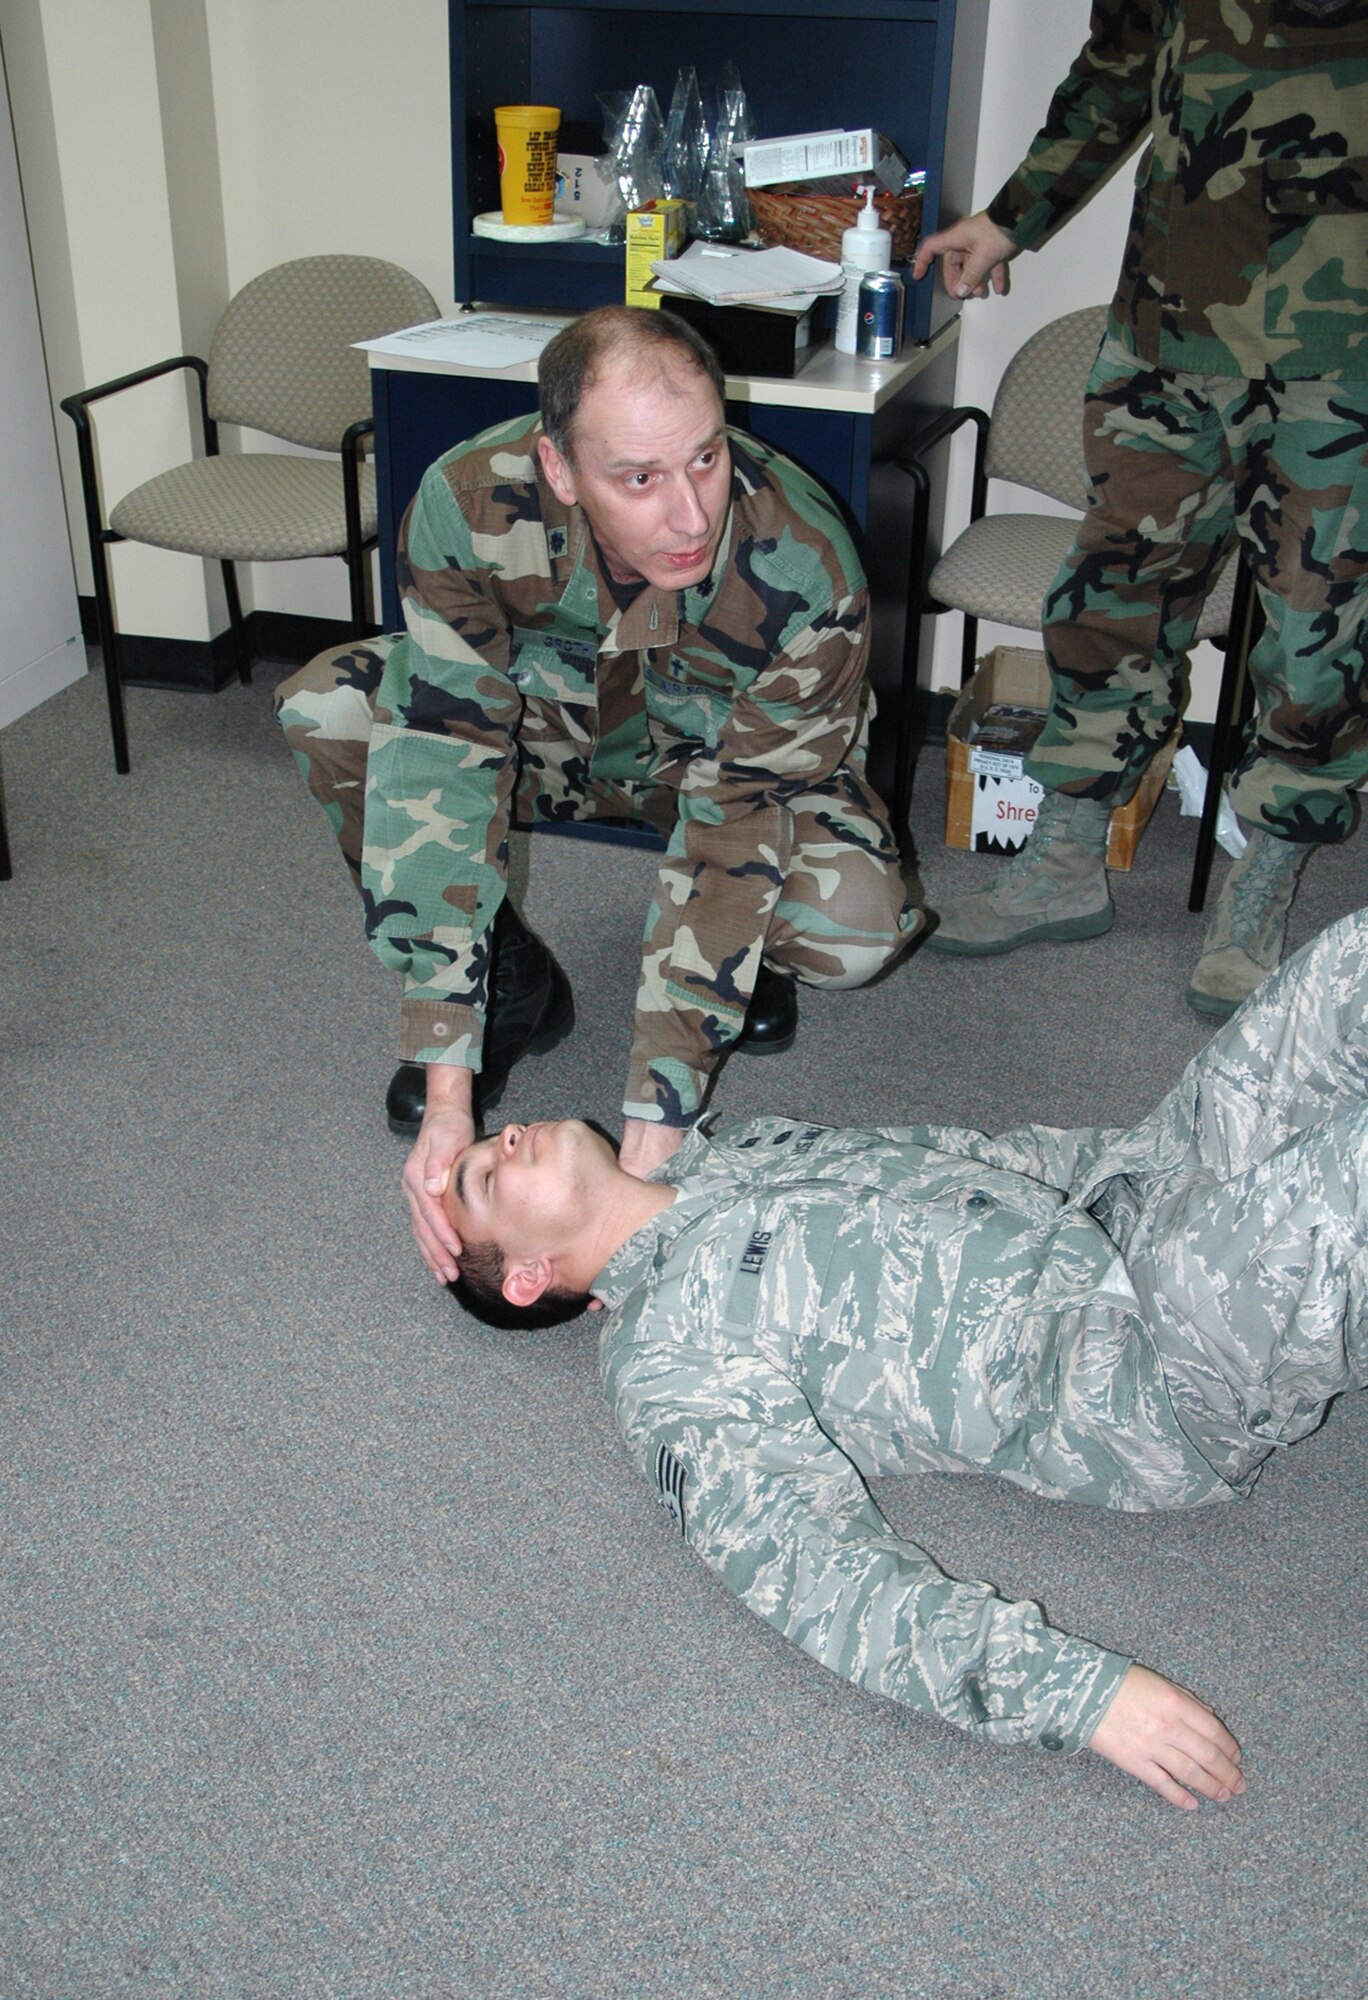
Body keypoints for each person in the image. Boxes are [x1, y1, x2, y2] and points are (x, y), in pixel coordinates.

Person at [443, 905, 1368, 1809]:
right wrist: (1081, 1698)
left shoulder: (733, 1153)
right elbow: (817, 1572)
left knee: (1352, 962)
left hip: (1135, 1188)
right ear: (528, 1278)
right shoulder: (662, 1360)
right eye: (489, 1176)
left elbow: (966, 1163)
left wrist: (1144, 1160)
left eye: (495, 1136)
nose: (507, 1133)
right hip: (1139, 1365)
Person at [277, 305, 921, 1276]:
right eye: (639, 478)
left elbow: (734, 821)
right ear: (559, 468)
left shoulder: (807, 561)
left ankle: (757, 964)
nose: (692, 513)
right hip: (564, 735)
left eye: (706, 458)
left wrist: (652, 1146)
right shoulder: (468, 501)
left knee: (856, 926)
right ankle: (510, 975)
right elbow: (443, 764)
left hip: (727, 764)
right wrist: (450, 1083)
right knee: (336, 709)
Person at [911, 0, 1368, 1017]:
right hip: (1170, 325)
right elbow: (1119, 63)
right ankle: (1068, 857)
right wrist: (1006, 217)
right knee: (1109, 604)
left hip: (1346, 354)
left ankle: (1262, 886)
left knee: (1319, 638)